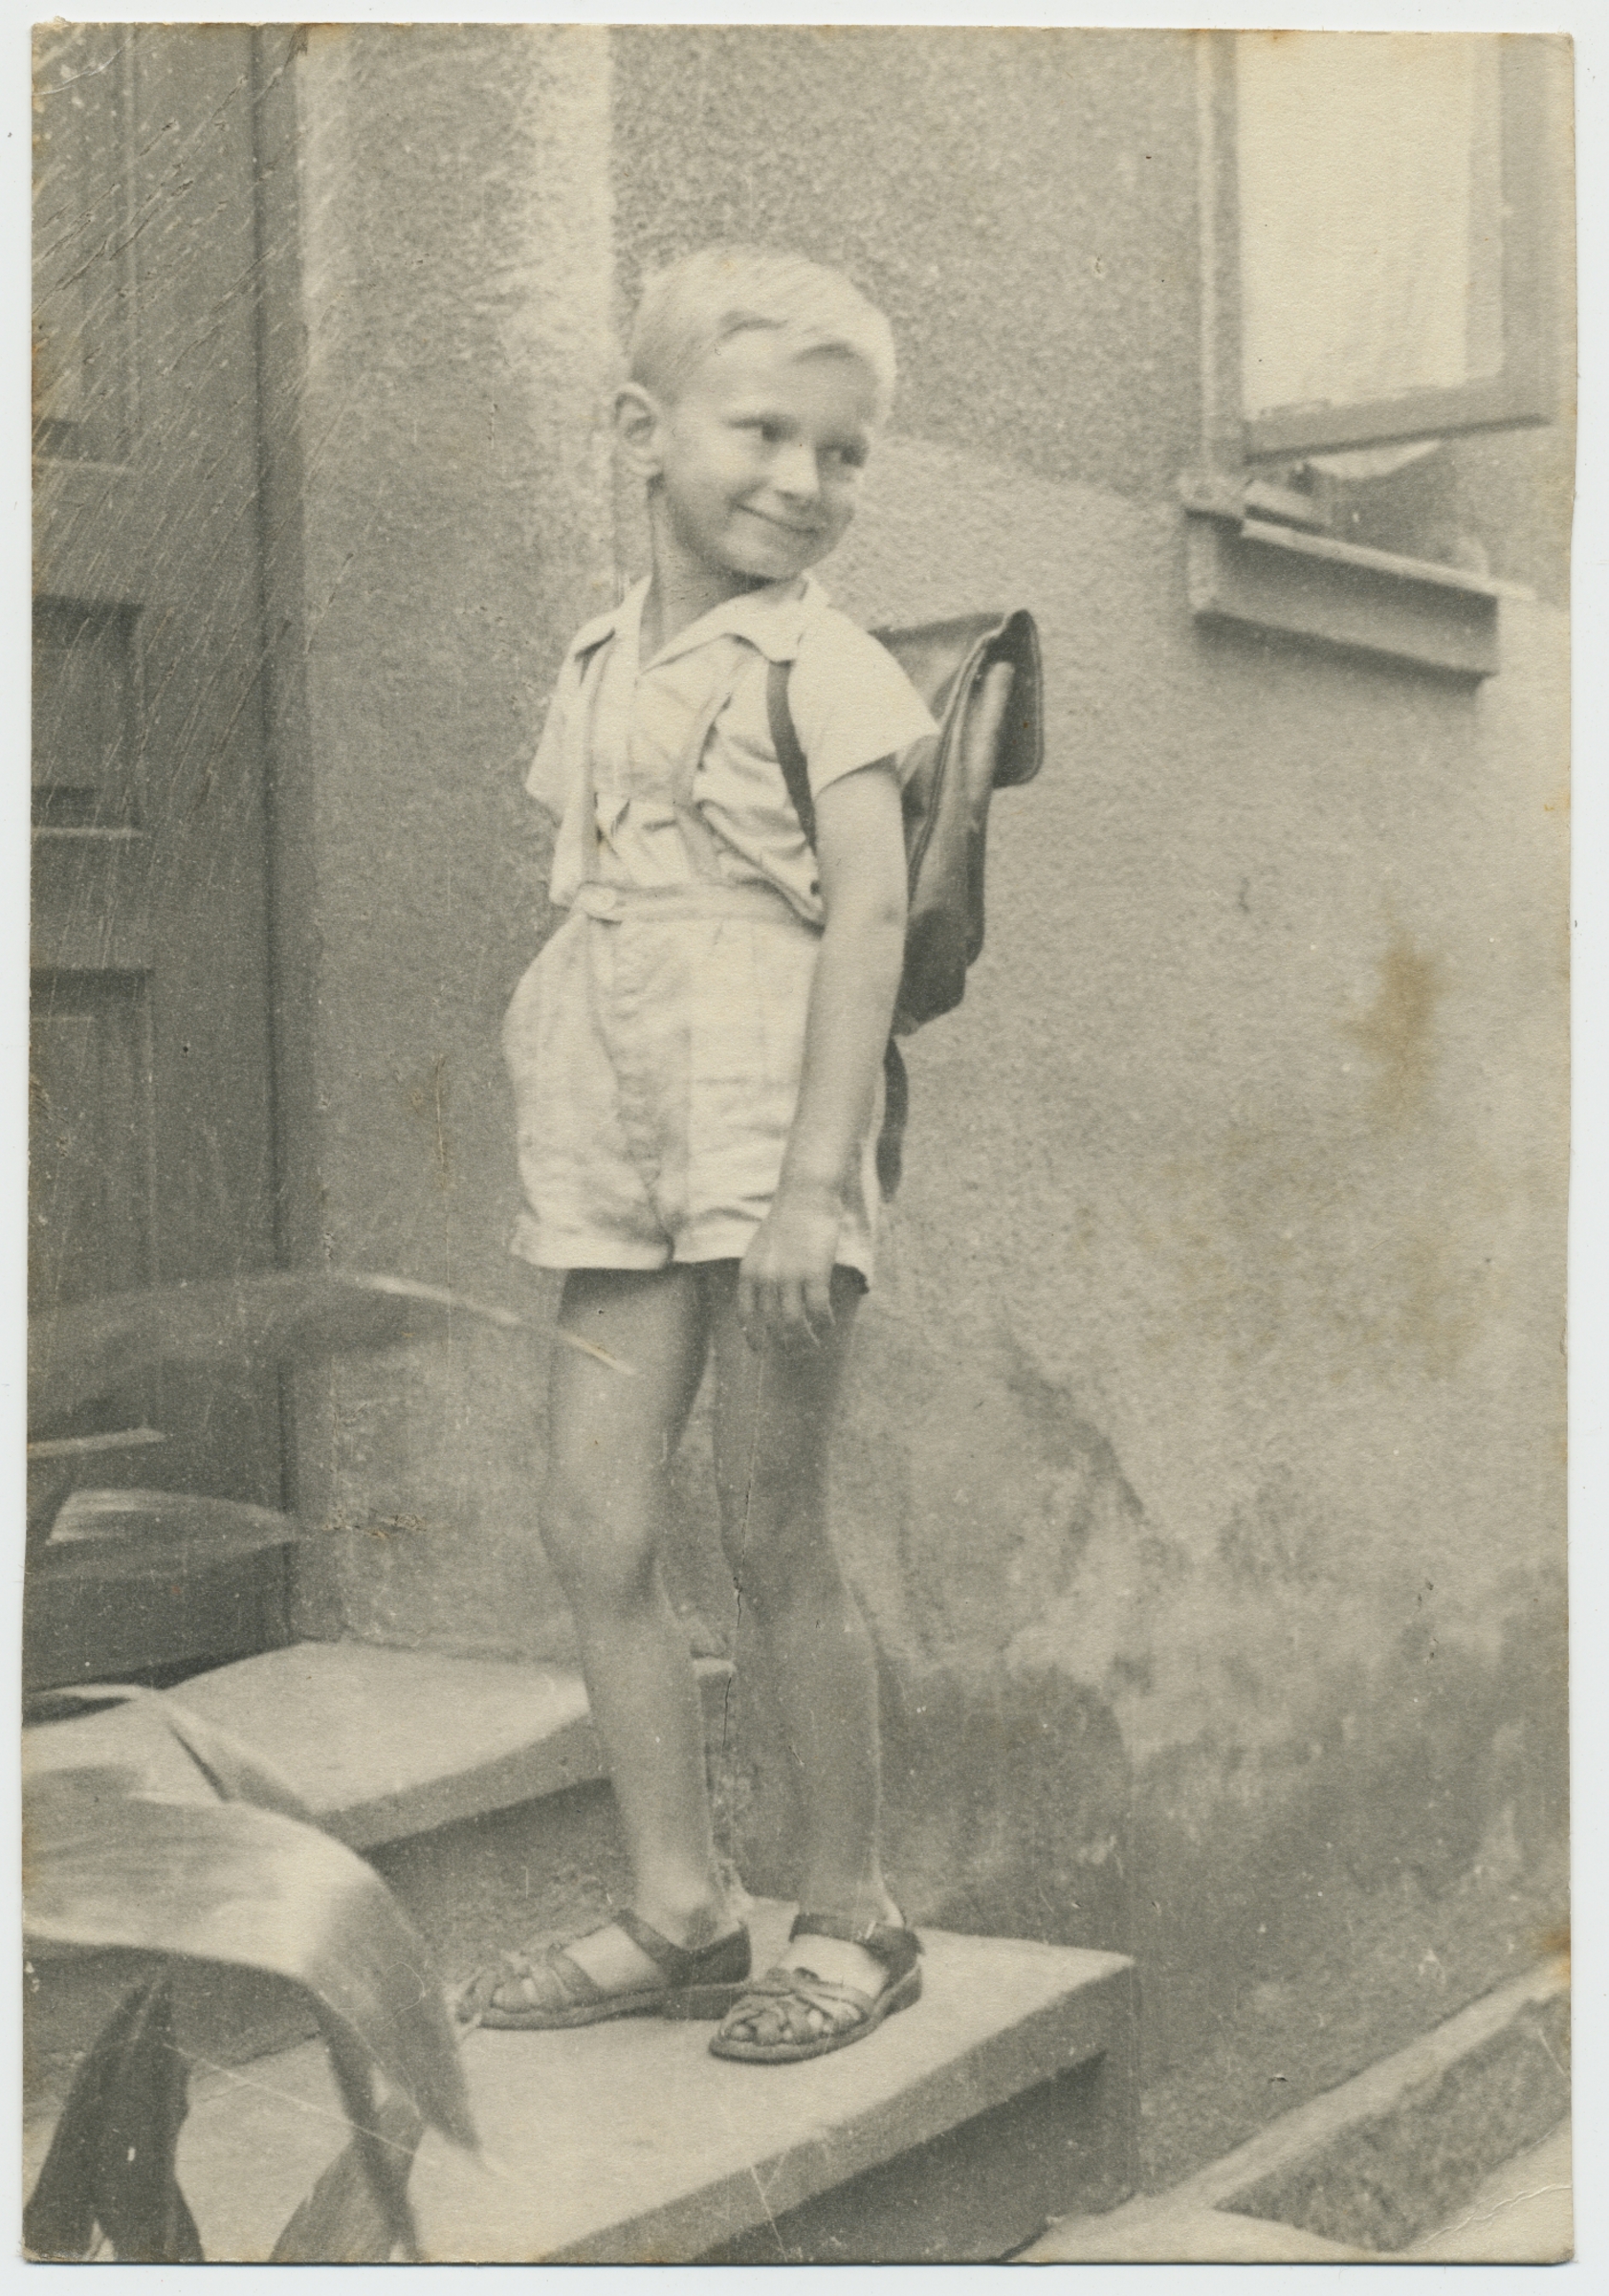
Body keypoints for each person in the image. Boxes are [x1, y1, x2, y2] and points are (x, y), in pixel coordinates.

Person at [459, 246, 937, 2062]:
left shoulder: (830, 668)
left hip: (765, 1137)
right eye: (764, 434)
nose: (804, 481)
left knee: (771, 1525)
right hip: (617, 1125)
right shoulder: (599, 656)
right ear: (641, 432)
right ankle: (679, 1905)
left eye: (844, 451)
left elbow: (868, 922)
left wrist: (815, 1185)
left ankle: (853, 1912)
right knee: (592, 1520)